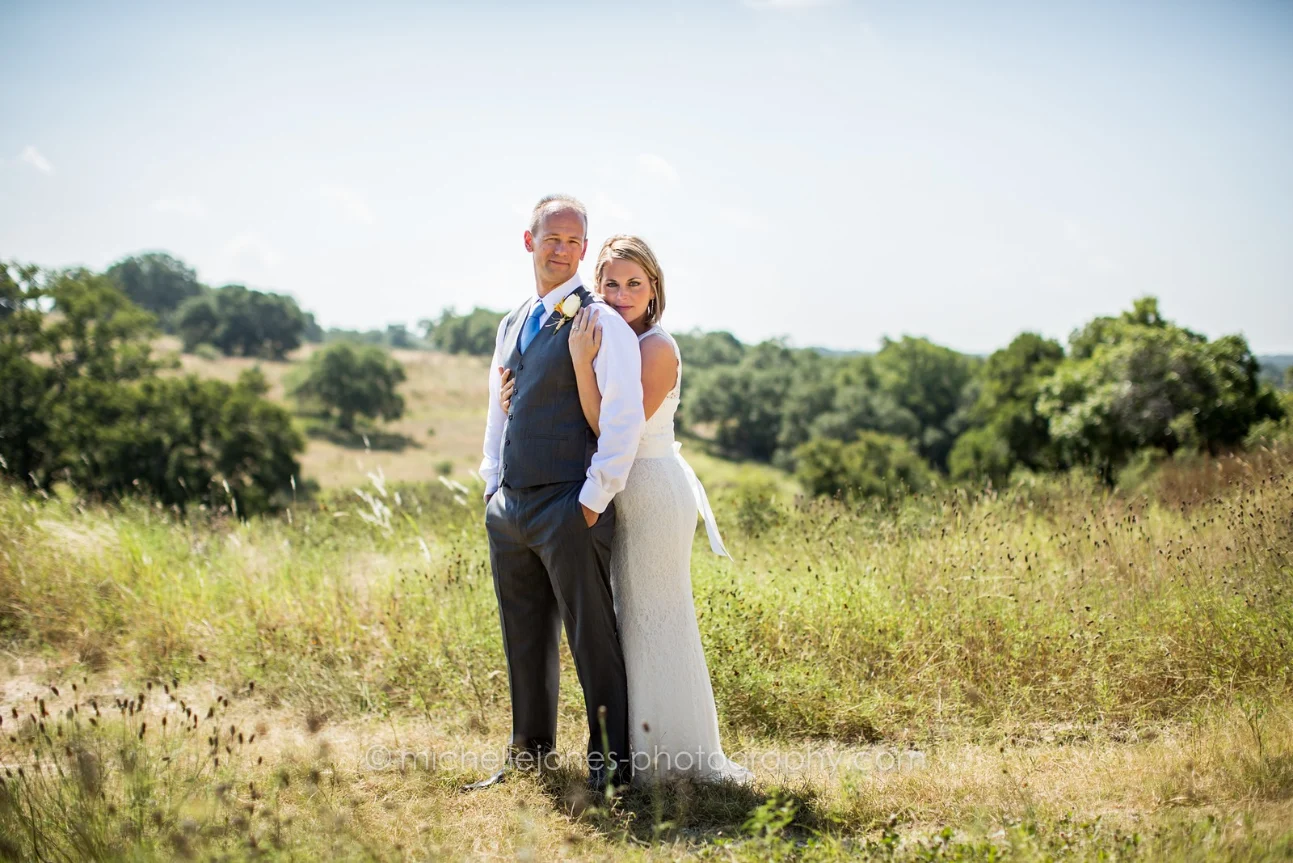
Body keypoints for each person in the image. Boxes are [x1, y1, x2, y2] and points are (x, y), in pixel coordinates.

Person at [500, 234, 753, 787]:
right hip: (618, 489)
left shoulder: (656, 347)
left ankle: (675, 755)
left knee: (655, 616)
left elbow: (612, 427)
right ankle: (634, 751)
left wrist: (580, 362)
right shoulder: (610, 336)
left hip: (650, 491)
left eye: (633, 283)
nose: (619, 294)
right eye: (609, 283)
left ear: (654, 288)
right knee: (625, 624)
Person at [465, 196, 644, 795]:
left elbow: (623, 420)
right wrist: (492, 485)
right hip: (511, 506)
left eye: (573, 241)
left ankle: (611, 770)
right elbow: (499, 410)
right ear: (529, 240)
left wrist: (591, 500)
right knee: (524, 637)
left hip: (570, 504)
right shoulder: (513, 321)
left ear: (583, 249)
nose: (562, 249)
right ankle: (529, 755)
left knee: (592, 638)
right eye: (552, 238)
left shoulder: (601, 321)